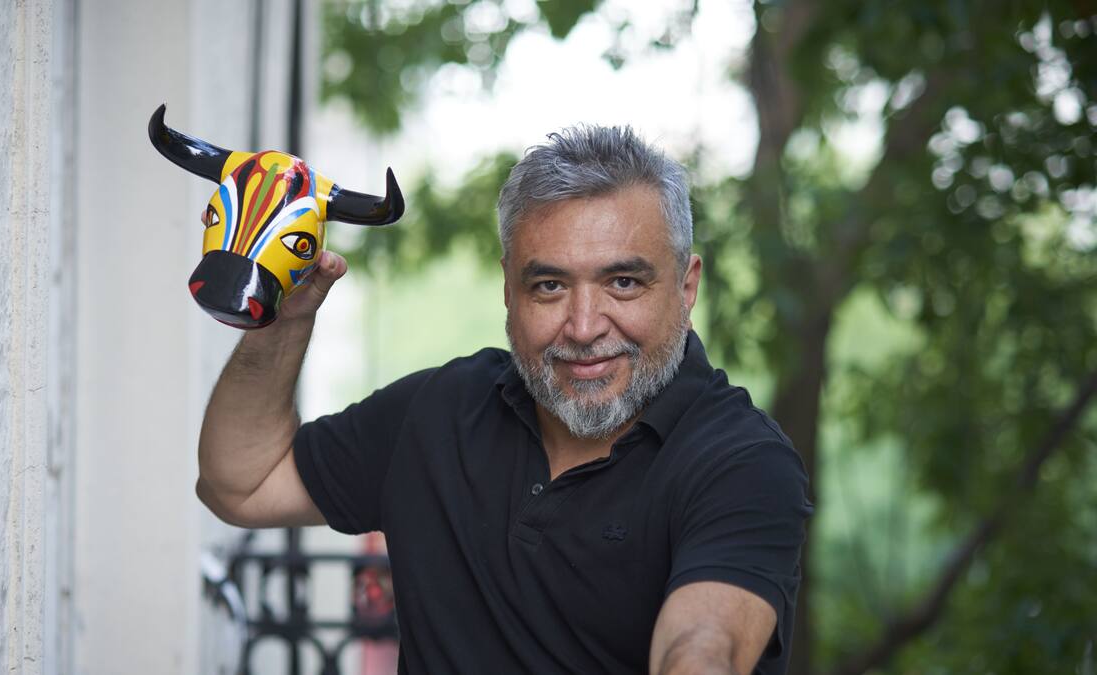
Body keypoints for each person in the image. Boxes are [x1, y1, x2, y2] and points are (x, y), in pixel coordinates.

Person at [195, 125, 813, 675]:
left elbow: (702, 646)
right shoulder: (439, 410)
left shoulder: (742, 462)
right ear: (509, 293)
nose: (584, 327)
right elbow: (242, 484)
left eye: (623, 282)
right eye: (549, 285)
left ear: (686, 287)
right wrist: (282, 313)